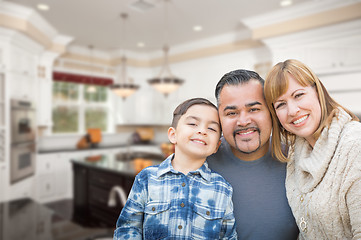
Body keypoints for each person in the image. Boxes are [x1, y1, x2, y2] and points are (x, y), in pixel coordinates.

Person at [264, 59, 361, 239]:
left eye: (298, 95)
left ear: (318, 91)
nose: (292, 110)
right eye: (280, 104)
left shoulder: (355, 144)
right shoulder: (295, 155)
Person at [114, 98, 237, 240]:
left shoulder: (222, 188)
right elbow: (128, 228)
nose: (202, 131)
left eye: (211, 128)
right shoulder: (147, 178)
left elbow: (228, 236)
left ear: (216, 146)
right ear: (173, 135)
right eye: (193, 123)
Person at [207, 69, 299, 239]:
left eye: (254, 109)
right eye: (231, 113)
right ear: (219, 118)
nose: (243, 121)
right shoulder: (201, 164)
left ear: (271, 112)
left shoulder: (297, 159)